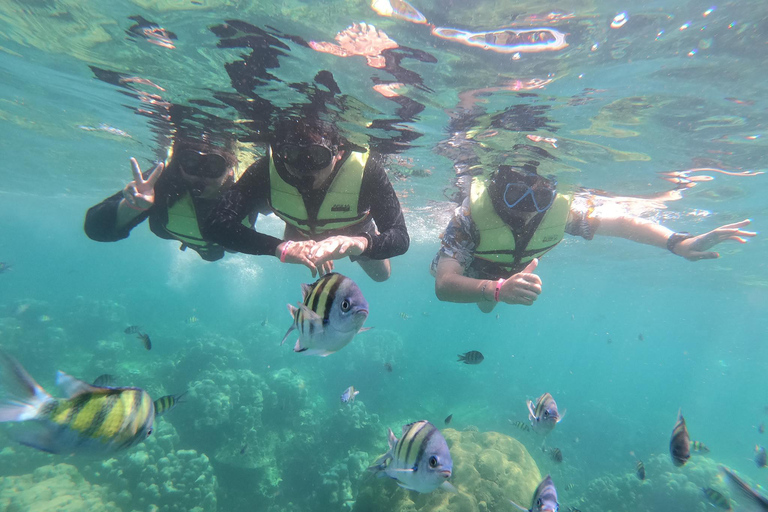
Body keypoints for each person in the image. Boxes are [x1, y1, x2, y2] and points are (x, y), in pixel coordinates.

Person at [432, 165, 756, 312]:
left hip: (509, 273)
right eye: (516, 194)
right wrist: (497, 289)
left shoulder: (560, 213)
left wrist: (677, 243)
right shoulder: (470, 217)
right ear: (496, 188)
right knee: (484, 303)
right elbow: (445, 284)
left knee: (489, 306)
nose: (529, 208)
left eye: (542, 195)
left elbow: (621, 223)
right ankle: (492, 293)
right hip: (477, 268)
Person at [202, 117, 409, 281]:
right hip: (298, 225)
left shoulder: (368, 172)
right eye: (292, 154)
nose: (303, 169)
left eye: (317, 156)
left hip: (353, 229)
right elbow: (214, 224)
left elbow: (400, 237)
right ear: (281, 151)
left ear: (339, 151)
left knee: (381, 276)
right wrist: (279, 248)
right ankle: (300, 234)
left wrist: (361, 242)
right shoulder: (265, 170)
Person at [84, 137, 254, 262]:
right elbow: (95, 229)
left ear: (230, 170)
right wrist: (130, 207)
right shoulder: (162, 181)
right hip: (181, 233)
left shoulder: (247, 183)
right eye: (191, 163)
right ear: (179, 165)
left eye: (213, 167)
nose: (200, 175)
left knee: (232, 247)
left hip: (227, 242)